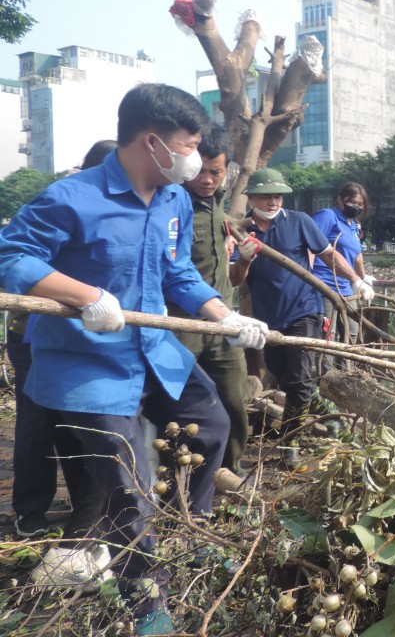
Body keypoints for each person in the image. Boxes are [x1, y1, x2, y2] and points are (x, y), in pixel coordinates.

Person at [0, 84, 268, 634]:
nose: (196, 158)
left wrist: (225, 316)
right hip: (87, 366)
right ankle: (147, 601)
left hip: (152, 351)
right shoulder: (71, 198)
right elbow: (11, 257)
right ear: (153, 142)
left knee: (212, 424)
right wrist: (85, 297)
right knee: (130, 486)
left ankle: (190, 535)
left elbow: (177, 273)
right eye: (189, 144)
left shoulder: (172, 198)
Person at [10, 139, 119, 538]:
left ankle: (85, 514)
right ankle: (30, 512)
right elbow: (20, 262)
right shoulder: (62, 203)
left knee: (81, 422)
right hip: (32, 333)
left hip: (86, 335)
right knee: (39, 422)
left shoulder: (116, 207)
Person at [230, 169, 370, 453]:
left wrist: (355, 279)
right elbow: (235, 280)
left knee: (299, 378)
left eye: (278, 196)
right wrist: (244, 259)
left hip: (305, 310)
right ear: (252, 197)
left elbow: (328, 254)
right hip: (269, 318)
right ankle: (331, 416)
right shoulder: (243, 232)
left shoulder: (299, 222)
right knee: (287, 378)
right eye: (266, 196)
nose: (273, 202)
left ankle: (288, 444)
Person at [170, 127, 251, 476]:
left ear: (226, 171)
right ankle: (177, 482)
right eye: (200, 170)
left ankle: (227, 476)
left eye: (215, 172)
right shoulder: (173, 202)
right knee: (177, 410)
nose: (206, 179)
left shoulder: (219, 205)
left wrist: (244, 258)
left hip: (223, 323)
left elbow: (227, 275)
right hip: (182, 323)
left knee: (235, 403)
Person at [311, 181, 375, 349]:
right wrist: (308, 276)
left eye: (360, 204)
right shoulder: (328, 216)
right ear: (340, 200)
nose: (356, 207)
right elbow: (310, 244)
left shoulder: (353, 225)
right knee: (327, 336)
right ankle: (327, 374)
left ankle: (348, 372)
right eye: (352, 202)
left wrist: (362, 279)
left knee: (352, 333)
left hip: (346, 287)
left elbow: (357, 257)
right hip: (325, 286)